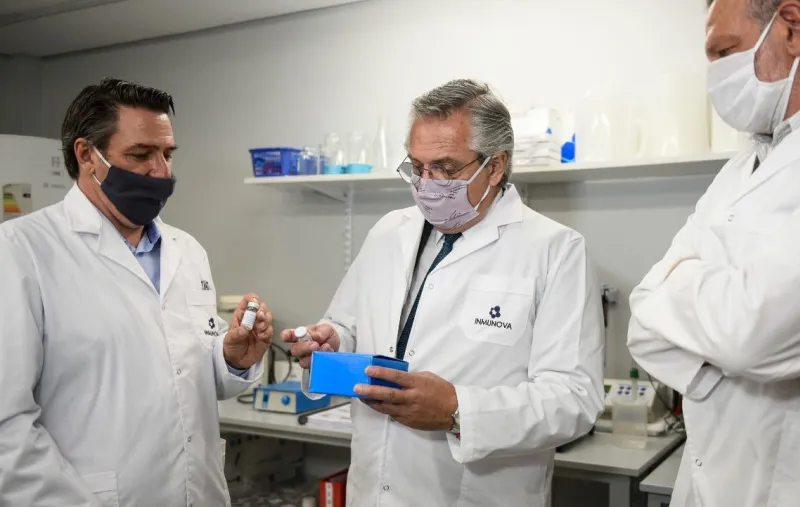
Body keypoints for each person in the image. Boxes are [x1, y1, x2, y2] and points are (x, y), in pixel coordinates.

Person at [283, 79, 605, 507]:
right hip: (373, 489)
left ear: (495, 166)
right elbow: (348, 326)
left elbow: (574, 399)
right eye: (417, 167)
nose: (427, 183)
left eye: (446, 168)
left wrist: (458, 409)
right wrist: (329, 343)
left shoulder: (555, 250)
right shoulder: (388, 233)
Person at [628, 0, 800, 506]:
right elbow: (642, 319)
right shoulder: (746, 161)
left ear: (793, 28)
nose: (713, 75)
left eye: (723, 51)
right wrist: (727, 342)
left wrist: (695, 304)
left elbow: (756, 330)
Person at [0, 78, 274, 506]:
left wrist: (231, 358)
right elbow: (7, 423)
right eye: (141, 154)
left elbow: (184, 371)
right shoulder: (21, 251)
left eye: (167, 154)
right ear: (87, 155)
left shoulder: (187, 251)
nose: (161, 171)